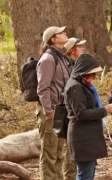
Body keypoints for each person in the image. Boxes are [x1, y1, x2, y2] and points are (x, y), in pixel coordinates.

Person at [64, 53, 112, 180]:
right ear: (83, 72)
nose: (95, 76)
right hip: (82, 138)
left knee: (88, 173)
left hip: (88, 137)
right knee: (84, 175)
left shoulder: (83, 84)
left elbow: (89, 105)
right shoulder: (75, 87)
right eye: (92, 73)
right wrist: (104, 110)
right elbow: (80, 114)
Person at [35, 26, 69, 180]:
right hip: (50, 111)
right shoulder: (48, 59)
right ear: (53, 39)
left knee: (58, 151)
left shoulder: (62, 56)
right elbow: (42, 88)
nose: (65, 33)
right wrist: (48, 112)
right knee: (49, 152)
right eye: (61, 33)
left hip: (61, 109)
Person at [62, 37, 86, 180]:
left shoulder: (77, 66)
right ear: (72, 50)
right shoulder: (67, 67)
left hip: (79, 110)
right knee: (68, 146)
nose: (82, 49)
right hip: (69, 111)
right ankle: (70, 177)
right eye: (79, 47)